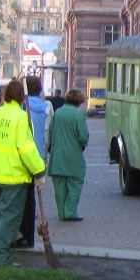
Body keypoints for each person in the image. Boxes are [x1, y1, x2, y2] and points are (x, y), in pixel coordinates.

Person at [0, 80, 46, 266]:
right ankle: (3, 259)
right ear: (22, 97)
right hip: (13, 177)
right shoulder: (20, 117)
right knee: (9, 220)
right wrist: (39, 171)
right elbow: (27, 149)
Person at [17, 76, 54, 248]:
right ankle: (28, 235)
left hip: (23, 155)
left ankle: (22, 233)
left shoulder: (23, 107)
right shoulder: (45, 107)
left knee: (22, 196)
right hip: (38, 155)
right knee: (30, 195)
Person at [47, 89, 89, 221]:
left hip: (57, 155)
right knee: (75, 184)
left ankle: (61, 212)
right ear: (79, 101)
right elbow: (83, 136)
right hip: (74, 155)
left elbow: (51, 134)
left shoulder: (58, 113)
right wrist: (83, 144)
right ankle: (70, 212)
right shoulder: (78, 115)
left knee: (59, 186)